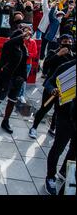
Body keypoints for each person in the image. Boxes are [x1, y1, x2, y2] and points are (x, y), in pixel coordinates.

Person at [28, 34, 75, 139]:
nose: (67, 44)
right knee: (45, 107)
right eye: (65, 42)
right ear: (60, 42)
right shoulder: (53, 53)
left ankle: (52, 128)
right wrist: (58, 54)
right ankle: (34, 127)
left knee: (59, 110)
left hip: (65, 89)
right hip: (51, 87)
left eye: (69, 42)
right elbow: (46, 66)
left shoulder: (73, 56)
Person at [43, 60, 76, 195]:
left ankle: (64, 171)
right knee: (58, 147)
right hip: (64, 116)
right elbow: (48, 82)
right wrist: (53, 89)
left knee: (74, 150)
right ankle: (50, 176)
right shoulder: (66, 67)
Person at [18, 25, 38, 104]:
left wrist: (27, 54)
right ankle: (17, 94)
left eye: (28, 32)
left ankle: (21, 95)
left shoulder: (33, 42)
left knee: (23, 80)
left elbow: (35, 53)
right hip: (19, 62)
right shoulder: (20, 40)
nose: (26, 34)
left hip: (27, 63)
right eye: (25, 31)